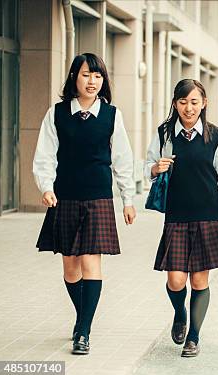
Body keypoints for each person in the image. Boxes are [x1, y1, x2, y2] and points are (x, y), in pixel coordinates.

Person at [34, 53, 136, 355]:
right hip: (64, 196)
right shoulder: (57, 113)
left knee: (91, 261)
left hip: (98, 197)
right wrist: (46, 187)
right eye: (86, 75)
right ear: (74, 78)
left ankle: (84, 330)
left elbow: (123, 160)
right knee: (70, 267)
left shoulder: (112, 115)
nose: (92, 81)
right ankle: (83, 316)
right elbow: (44, 155)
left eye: (98, 76)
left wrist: (128, 200)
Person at [146, 79, 218, 357]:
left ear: (204, 103)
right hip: (176, 216)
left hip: (207, 216)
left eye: (194, 102)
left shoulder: (215, 135)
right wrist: (154, 168)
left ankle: (194, 337)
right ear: (175, 103)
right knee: (175, 280)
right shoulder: (164, 134)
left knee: (199, 281)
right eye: (183, 102)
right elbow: (146, 166)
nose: (188, 107)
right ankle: (179, 313)